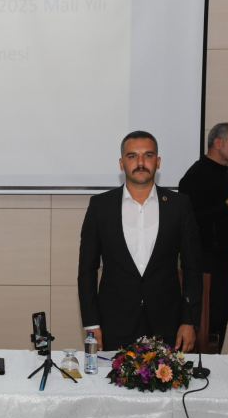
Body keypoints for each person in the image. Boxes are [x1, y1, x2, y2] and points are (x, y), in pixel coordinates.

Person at [78, 131, 202, 352]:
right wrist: (91, 323)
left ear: (158, 162)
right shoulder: (100, 206)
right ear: (121, 163)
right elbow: (87, 270)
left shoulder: (179, 205)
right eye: (132, 156)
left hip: (168, 326)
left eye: (148, 155)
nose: (141, 162)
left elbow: (192, 268)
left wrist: (189, 320)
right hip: (113, 326)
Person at [179, 123, 228, 351]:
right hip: (203, 264)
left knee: (220, 318)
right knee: (206, 322)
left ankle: (212, 367)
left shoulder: (221, 173)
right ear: (218, 143)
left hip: (220, 263)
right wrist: (226, 207)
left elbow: (219, 216)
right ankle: (200, 367)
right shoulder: (196, 175)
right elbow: (187, 220)